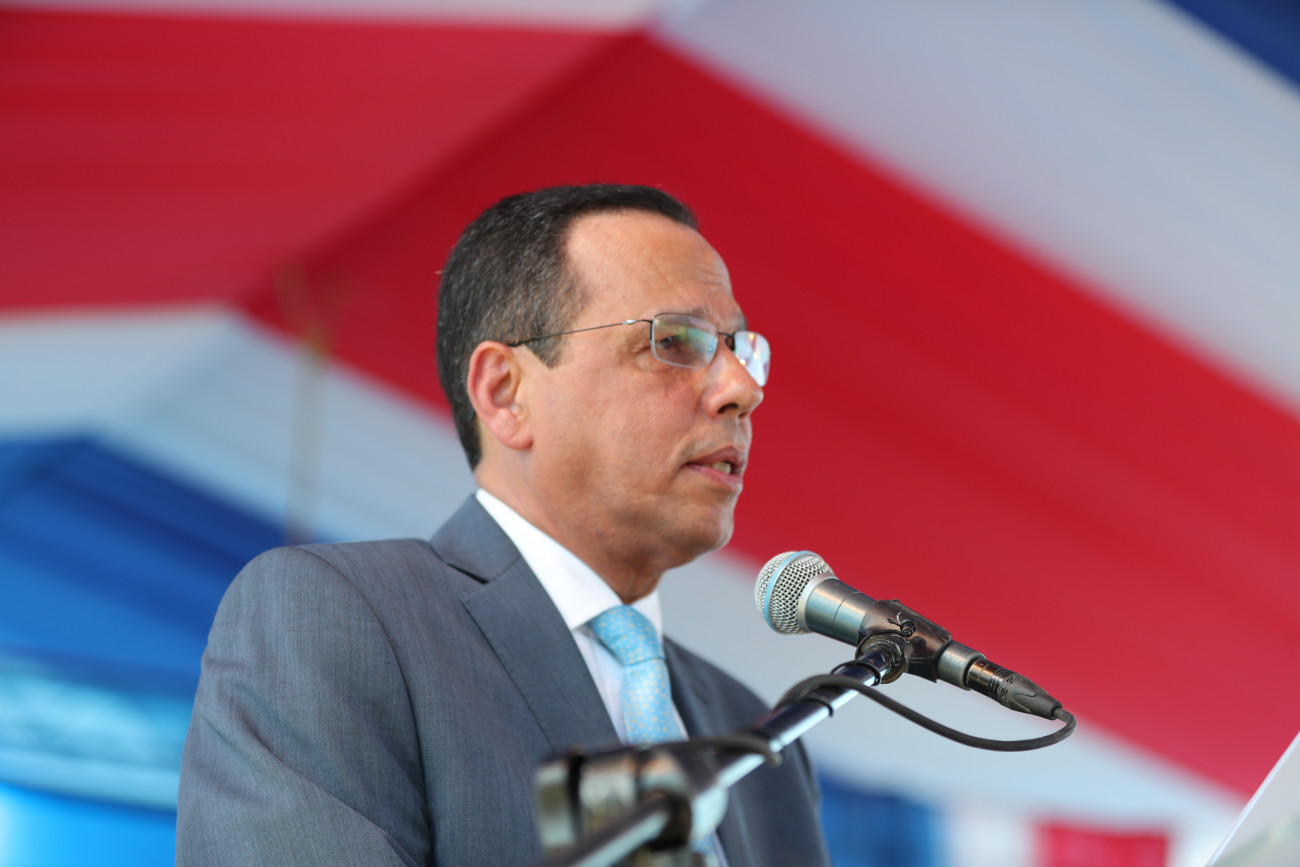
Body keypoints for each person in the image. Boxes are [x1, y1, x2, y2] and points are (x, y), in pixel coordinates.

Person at [177, 184, 831, 866]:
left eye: (742, 348)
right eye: (674, 341)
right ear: (505, 392)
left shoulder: (759, 730)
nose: (742, 388)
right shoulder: (336, 617)